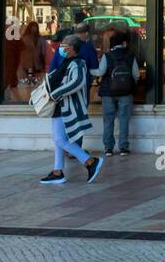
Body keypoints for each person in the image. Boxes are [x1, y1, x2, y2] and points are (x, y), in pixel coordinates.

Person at [38, 36, 104, 185]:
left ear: (73, 48)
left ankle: (90, 161)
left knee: (60, 140)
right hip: (58, 106)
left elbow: (77, 82)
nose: (61, 48)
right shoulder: (66, 62)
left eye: (65, 45)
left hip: (66, 106)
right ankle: (57, 171)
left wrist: (55, 94)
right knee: (58, 140)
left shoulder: (78, 63)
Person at [95, 29, 141, 157]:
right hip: (126, 93)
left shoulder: (107, 55)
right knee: (124, 120)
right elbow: (136, 75)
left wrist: (90, 71)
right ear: (124, 43)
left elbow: (100, 72)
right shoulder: (130, 55)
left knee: (108, 120)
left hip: (108, 93)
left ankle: (108, 148)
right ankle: (123, 148)